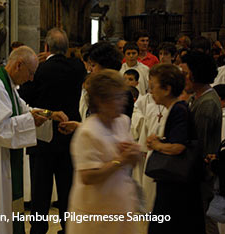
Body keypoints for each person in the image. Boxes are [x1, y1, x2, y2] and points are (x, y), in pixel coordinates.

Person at [0, 45, 67, 234]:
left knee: (5, 207)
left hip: (5, 154)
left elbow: (25, 110)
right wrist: (30, 120)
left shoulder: (8, 85)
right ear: (19, 65)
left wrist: (51, 114)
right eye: (31, 72)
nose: (31, 78)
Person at [18, 28, 86, 234]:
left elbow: (25, 97)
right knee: (68, 186)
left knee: (41, 187)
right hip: (70, 133)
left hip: (43, 134)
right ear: (66, 48)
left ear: (46, 47)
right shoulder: (78, 68)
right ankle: (68, 227)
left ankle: (38, 228)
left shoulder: (40, 69)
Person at [66, 69, 141, 234]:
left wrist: (134, 154)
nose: (122, 102)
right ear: (100, 101)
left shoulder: (122, 121)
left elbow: (132, 162)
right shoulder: (88, 132)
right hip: (95, 213)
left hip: (120, 206)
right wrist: (120, 160)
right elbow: (88, 176)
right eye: (117, 97)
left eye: (123, 96)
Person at [146, 63, 205, 234]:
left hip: (177, 184)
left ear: (167, 89)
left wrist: (157, 145)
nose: (151, 92)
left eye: (153, 87)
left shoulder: (178, 109)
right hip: (176, 182)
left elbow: (179, 147)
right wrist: (159, 140)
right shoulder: (175, 109)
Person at [180, 51, 222, 234]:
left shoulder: (206, 104)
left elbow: (199, 146)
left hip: (202, 178)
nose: (183, 79)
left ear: (196, 74)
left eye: (185, 74)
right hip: (195, 176)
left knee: (205, 222)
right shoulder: (196, 98)